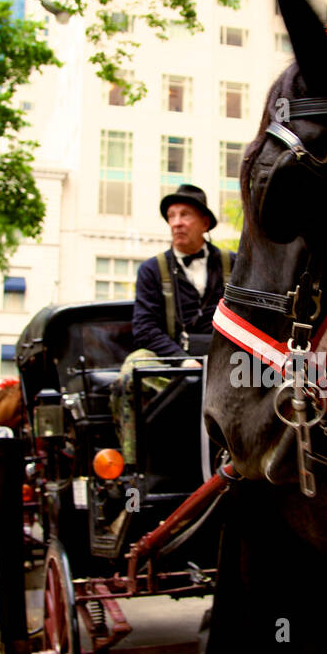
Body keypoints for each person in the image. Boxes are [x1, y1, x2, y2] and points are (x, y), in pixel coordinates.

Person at [111, 185, 236, 464]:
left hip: (226, 365)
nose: (176, 222)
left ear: (204, 223)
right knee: (131, 372)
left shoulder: (234, 264)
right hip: (172, 363)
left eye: (185, 215)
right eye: (171, 216)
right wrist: (182, 361)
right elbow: (144, 329)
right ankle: (134, 469)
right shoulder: (152, 270)